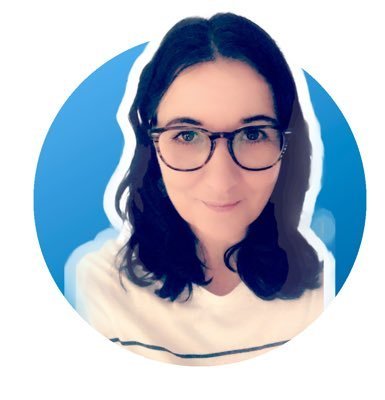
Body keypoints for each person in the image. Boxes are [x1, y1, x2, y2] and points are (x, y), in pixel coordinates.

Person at [75, 12, 326, 366]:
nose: (221, 180)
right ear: (151, 147)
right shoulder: (97, 290)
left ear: (287, 145)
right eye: (187, 135)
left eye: (253, 134)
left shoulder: (330, 292)